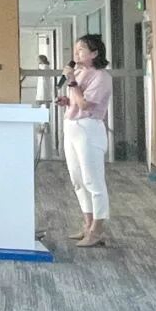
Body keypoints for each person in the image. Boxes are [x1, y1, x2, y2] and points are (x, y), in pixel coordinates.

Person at [57, 34, 112, 247]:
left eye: (81, 50)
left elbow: (85, 105)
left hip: (89, 129)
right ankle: (87, 225)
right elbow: (75, 101)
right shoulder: (79, 72)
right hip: (72, 127)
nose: (76, 53)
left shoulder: (101, 77)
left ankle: (98, 230)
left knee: (93, 180)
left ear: (95, 53)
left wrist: (71, 81)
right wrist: (66, 100)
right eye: (76, 49)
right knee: (77, 180)